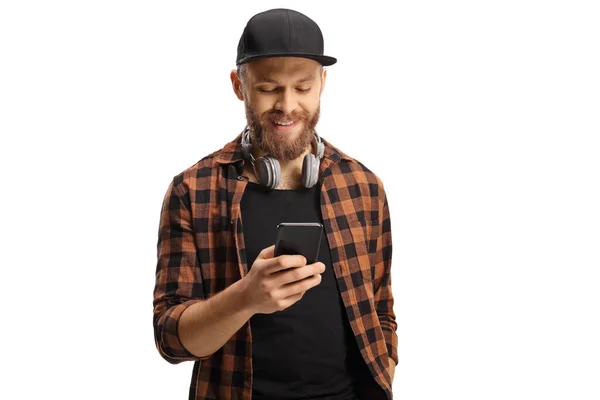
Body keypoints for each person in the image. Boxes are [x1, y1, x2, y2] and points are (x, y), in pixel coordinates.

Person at [153, 8, 398, 400]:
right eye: (269, 88)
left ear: (322, 83)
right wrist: (246, 297)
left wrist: (385, 370)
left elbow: (381, 311)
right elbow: (171, 339)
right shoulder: (192, 190)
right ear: (239, 85)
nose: (287, 105)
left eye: (302, 88)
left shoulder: (364, 186)